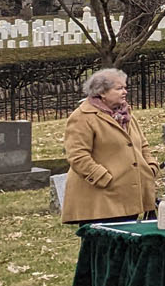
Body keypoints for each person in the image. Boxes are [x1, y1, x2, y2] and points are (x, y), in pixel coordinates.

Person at [61, 67, 157, 223]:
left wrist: (150, 167)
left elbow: (142, 145)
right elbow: (77, 156)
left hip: (128, 196)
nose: (125, 92)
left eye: (125, 87)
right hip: (100, 200)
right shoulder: (82, 117)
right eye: (119, 88)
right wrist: (104, 178)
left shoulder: (126, 115)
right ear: (102, 92)